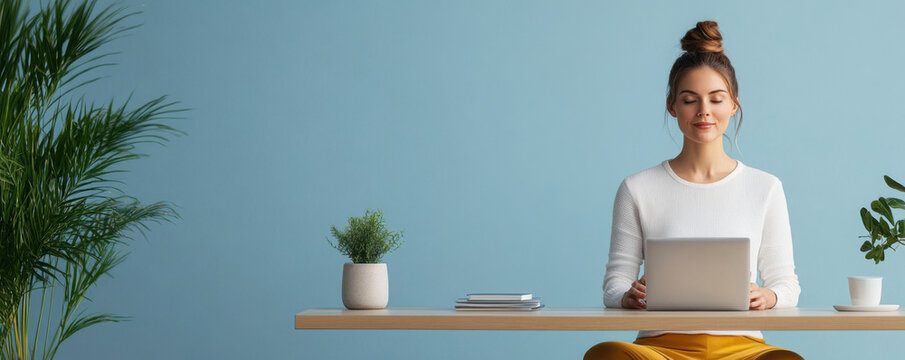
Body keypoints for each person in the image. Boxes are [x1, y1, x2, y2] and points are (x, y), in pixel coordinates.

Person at [583, 21, 803, 360]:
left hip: (742, 349)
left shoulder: (766, 187)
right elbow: (613, 287)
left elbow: (787, 285)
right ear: (672, 106)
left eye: (716, 99)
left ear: (734, 105)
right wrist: (629, 295)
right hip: (660, 349)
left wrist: (769, 297)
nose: (704, 111)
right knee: (607, 354)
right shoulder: (637, 188)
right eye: (690, 100)